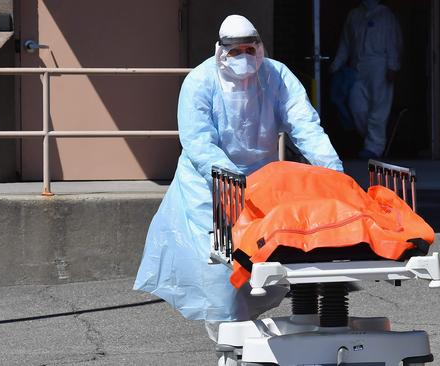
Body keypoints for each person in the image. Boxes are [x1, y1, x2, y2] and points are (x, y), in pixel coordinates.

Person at [133, 15, 343, 324]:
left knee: (261, 265)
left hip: (261, 187)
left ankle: (248, 337)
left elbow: (305, 126)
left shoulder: (276, 76)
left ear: (260, 47)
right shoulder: (200, 81)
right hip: (207, 188)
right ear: (221, 51)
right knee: (219, 274)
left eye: (249, 48)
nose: (244, 57)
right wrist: (233, 181)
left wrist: (333, 172)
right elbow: (199, 141)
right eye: (235, 51)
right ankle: (228, 341)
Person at [330, 0, 402, 158]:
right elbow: (346, 43)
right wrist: (336, 65)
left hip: (379, 65)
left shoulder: (385, 15)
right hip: (357, 65)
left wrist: (393, 65)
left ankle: (374, 148)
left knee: (379, 107)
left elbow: (393, 41)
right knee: (356, 105)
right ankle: (371, 139)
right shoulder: (354, 15)